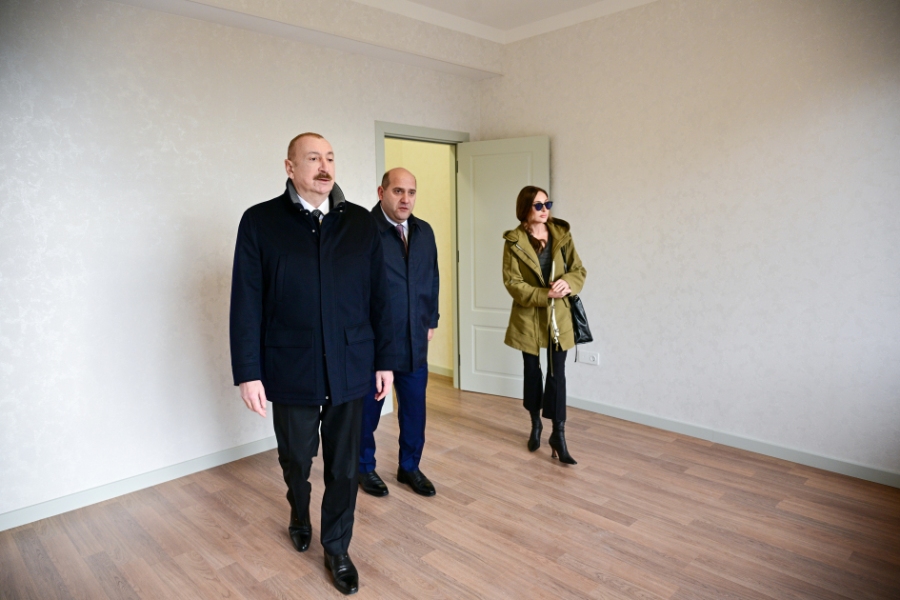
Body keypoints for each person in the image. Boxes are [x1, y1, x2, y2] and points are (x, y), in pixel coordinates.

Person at [229, 132, 396, 595]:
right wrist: (248, 372)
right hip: (291, 366)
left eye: (330, 158)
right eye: (313, 158)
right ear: (290, 167)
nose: (324, 167)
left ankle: (337, 547)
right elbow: (246, 301)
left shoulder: (360, 222)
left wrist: (385, 360)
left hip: (351, 364)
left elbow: (380, 297)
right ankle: (299, 511)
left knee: (344, 466)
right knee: (296, 458)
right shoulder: (260, 221)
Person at [358, 168, 440, 498]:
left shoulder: (424, 231)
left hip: (414, 340)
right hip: (375, 345)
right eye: (398, 191)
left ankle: (409, 467)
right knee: (368, 413)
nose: (406, 199)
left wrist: (431, 319)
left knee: (414, 411)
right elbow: (354, 289)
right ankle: (363, 467)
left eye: (411, 192)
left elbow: (432, 278)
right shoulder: (362, 231)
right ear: (381, 193)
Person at [501, 185, 587, 465]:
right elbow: (513, 283)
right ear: (525, 209)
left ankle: (558, 435)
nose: (544, 209)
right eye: (538, 205)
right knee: (532, 372)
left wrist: (567, 283)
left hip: (559, 316)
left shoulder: (562, 234)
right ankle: (535, 423)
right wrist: (544, 294)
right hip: (528, 317)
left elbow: (578, 270)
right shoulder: (513, 241)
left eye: (547, 204)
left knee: (557, 374)